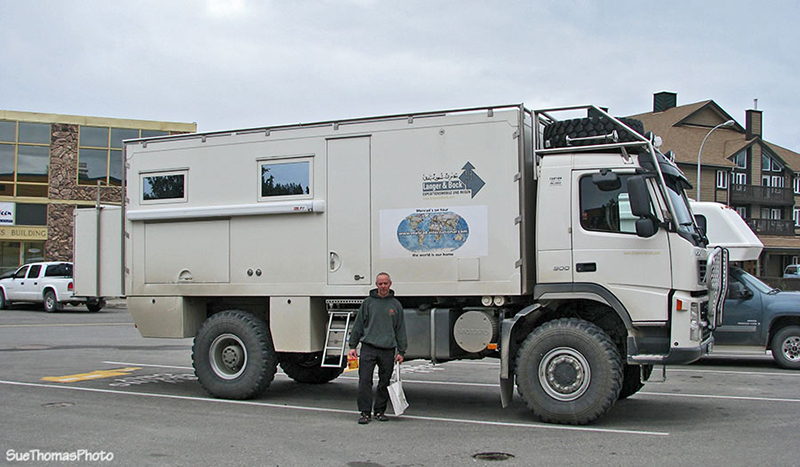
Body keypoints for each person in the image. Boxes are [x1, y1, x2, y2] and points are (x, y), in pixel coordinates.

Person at [348, 272, 407, 424]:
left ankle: (380, 411)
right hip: (369, 348)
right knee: (364, 381)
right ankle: (365, 413)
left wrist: (401, 351)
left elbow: (400, 329)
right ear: (376, 285)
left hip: (387, 349)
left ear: (390, 284)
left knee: (384, 382)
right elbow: (359, 325)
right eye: (380, 284)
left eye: (385, 283)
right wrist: (352, 346)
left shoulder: (396, 305)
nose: (383, 286)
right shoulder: (368, 303)